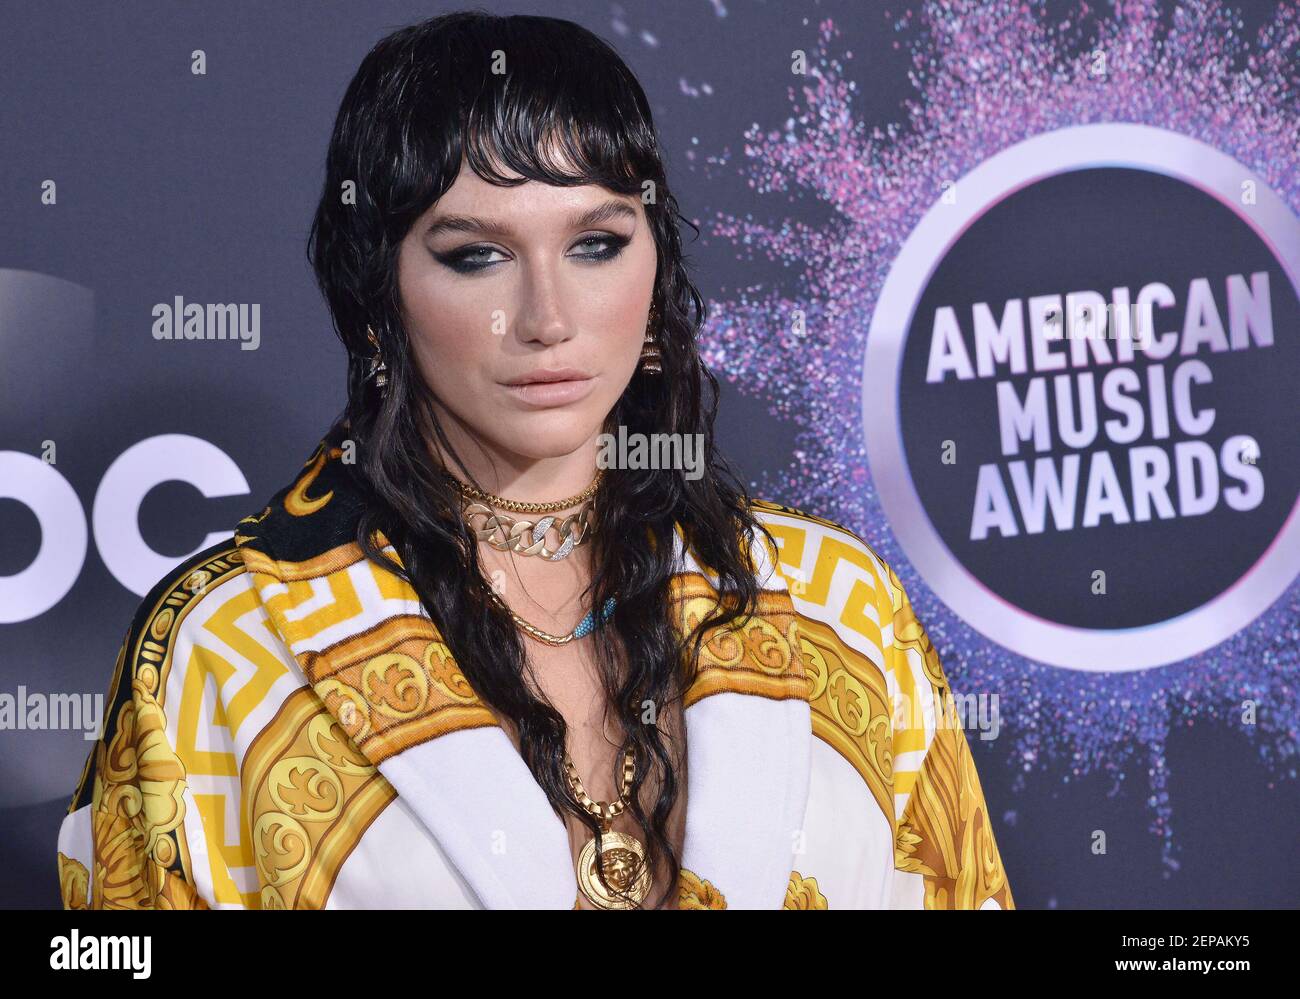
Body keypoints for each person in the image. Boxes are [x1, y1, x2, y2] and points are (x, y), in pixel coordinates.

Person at [55, 10, 1014, 910]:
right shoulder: (224, 651)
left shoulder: (836, 605)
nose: (550, 318)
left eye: (597, 244)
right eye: (476, 256)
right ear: (376, 290)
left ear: (656, 264)